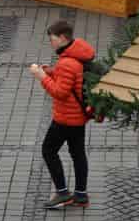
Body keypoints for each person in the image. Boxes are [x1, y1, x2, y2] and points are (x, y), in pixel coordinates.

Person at [28, 19, 95, 210]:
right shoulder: (76, 54)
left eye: (53, 39)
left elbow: (60, 92)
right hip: (78, 118)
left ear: (63, 38)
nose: (51, 42)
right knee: (78, 154)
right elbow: (69, 78)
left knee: (48, 150)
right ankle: (81, 195)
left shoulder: (67, 62)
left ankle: (63, 193)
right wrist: (50, 71)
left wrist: (41, 77)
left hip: (66, 118)